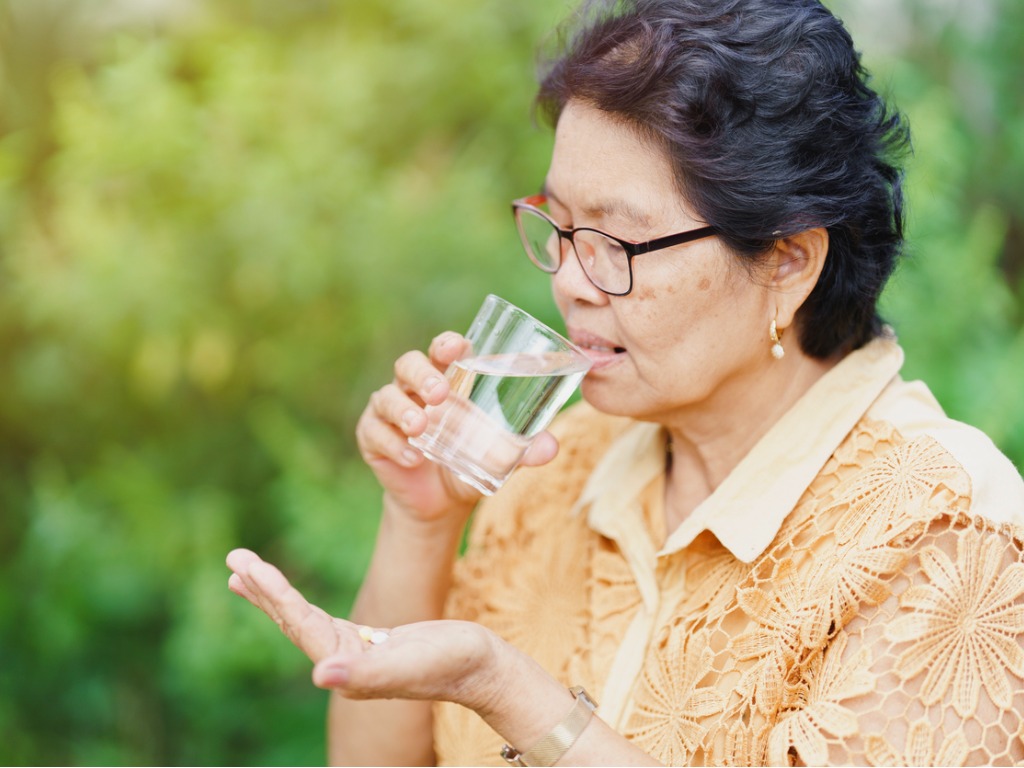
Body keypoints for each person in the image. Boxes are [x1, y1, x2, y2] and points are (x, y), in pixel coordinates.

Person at [226, 0, 1024, 764]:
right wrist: (422, 521)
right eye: (561, 226)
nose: (570, 279)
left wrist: (510, 693)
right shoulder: (557, 466)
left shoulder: (943, 536)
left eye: (617, 241)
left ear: (787, 262)